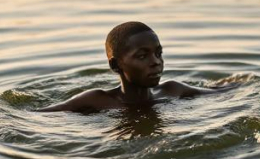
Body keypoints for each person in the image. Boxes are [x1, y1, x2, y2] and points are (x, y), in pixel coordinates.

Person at [38, 21, 236, 113]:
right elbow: (40, 115)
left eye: (159, 53)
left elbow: (219, 91)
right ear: (116, 65)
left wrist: (244, 79)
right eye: (142, 56)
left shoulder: (172, 90)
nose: (156, 61)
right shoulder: (97, 100)